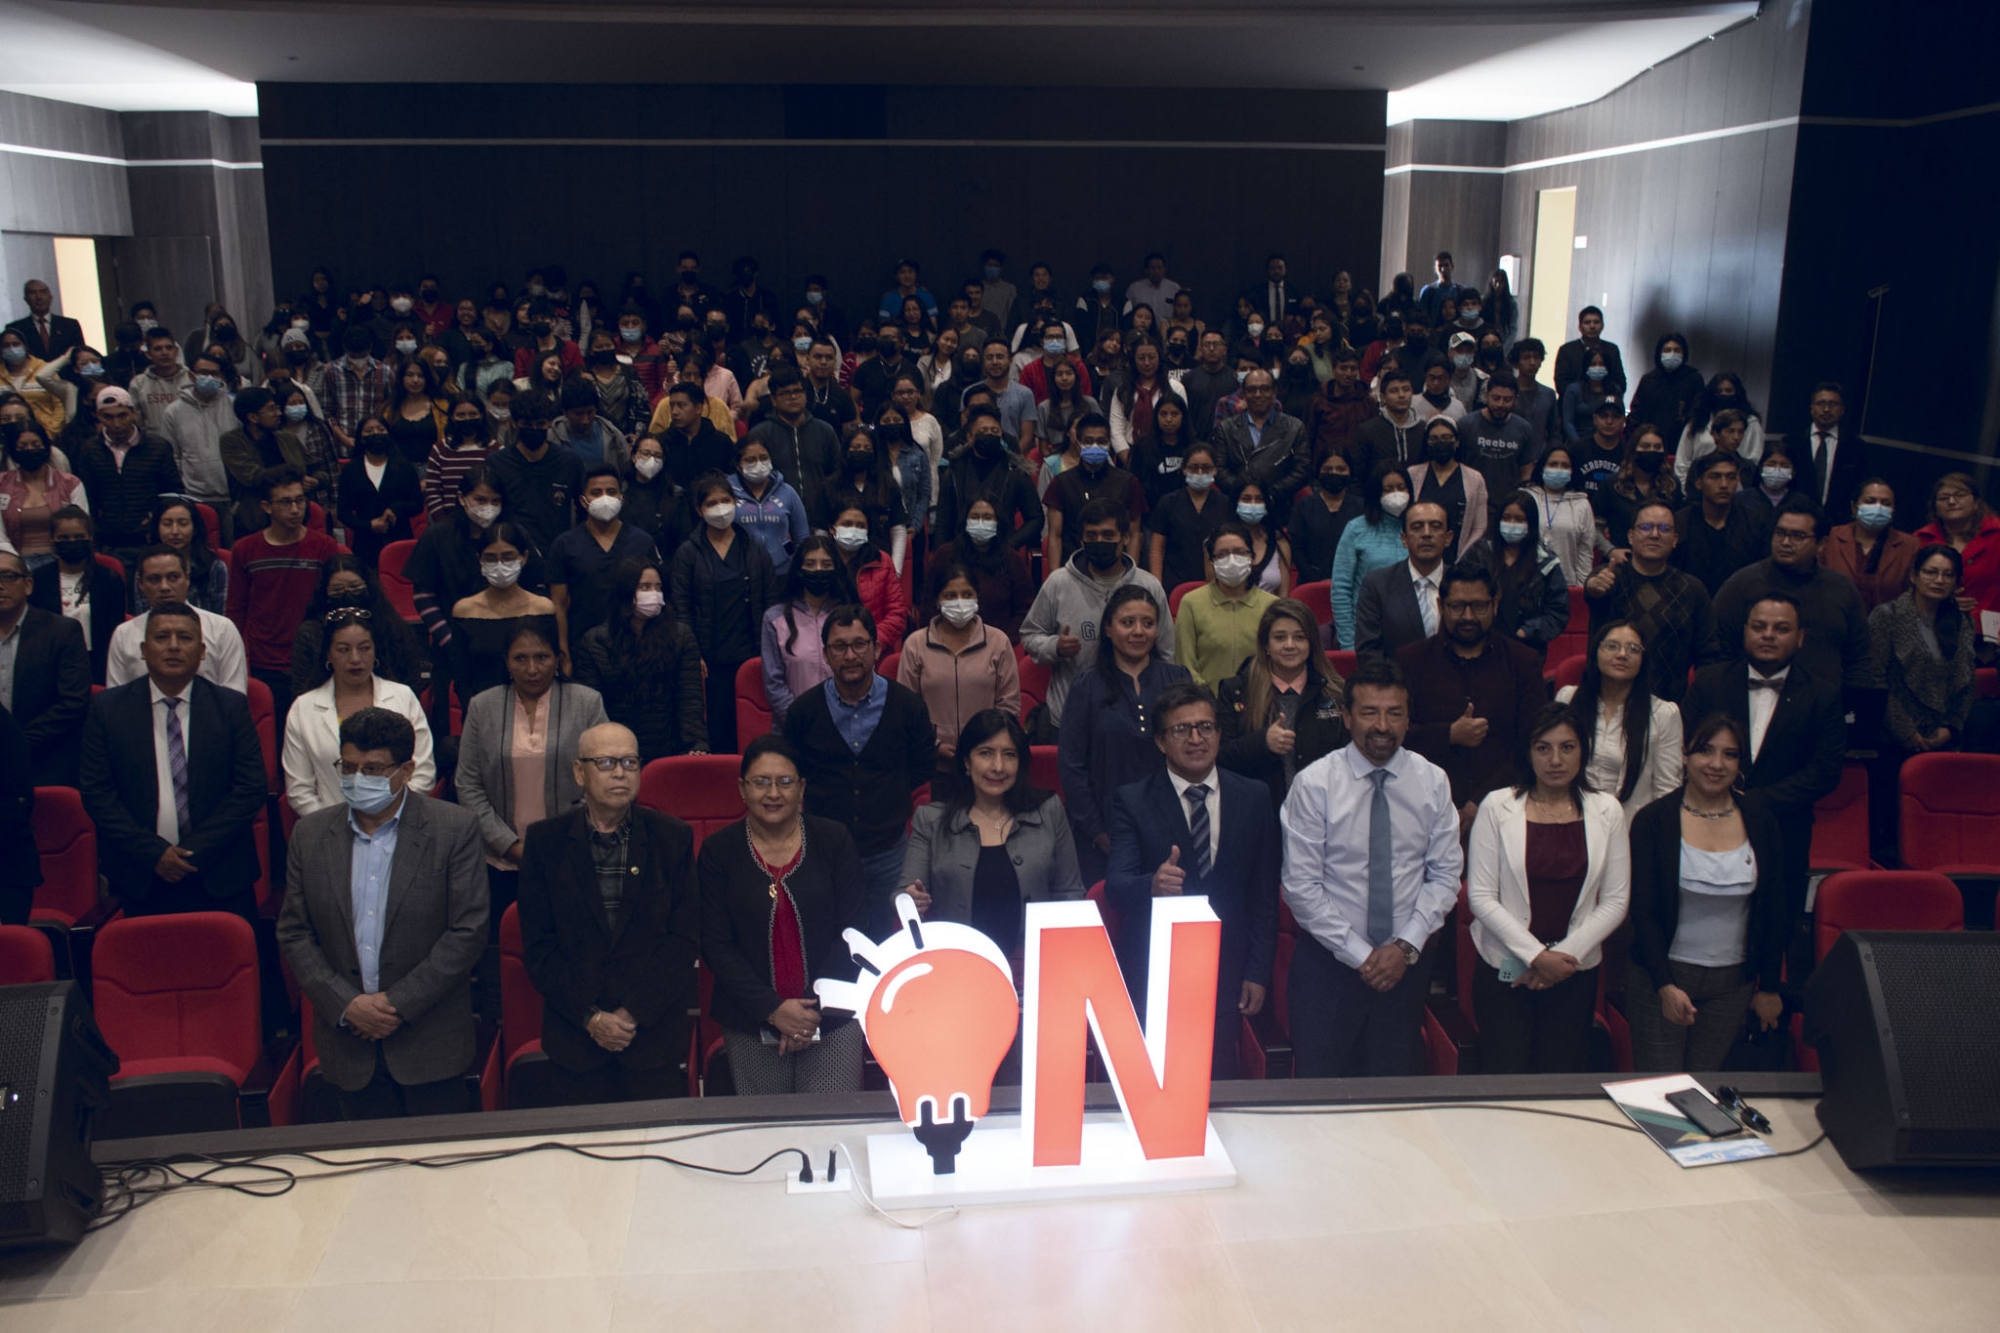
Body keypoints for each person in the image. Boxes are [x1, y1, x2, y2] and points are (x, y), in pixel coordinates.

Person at [277, 707, 487, 1118]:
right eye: (348, 767)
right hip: (348, 1046)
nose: (357, 779)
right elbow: (295, 932)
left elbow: (468, 931)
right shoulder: (310, 835)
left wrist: (397, 1004)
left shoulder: (453, 829)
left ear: (406, 770)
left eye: (372, 769)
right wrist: (348, 1005)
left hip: (430, 1043)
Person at [1281, 658, 1461, 1077]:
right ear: (1346, 717)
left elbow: (1445, 874)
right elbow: (1301, 886)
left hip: (1404, 968)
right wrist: (1362, 956)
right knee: (1321, 1094)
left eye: (1394, 713)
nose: (1382, 725)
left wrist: (1404, 947)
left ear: (1408, 719)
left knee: (1393, 1095)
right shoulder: (1315, 784)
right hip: (1329, 967)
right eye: (1369, 713)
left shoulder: (1432, 781)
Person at [515, 720, 699, 1104]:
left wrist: (631, 1014)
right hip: (576, 1045)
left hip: (652, 1041)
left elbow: (683, 940)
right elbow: (540, 948)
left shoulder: (672, 837)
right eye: (606, 762)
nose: (620, 773)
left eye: (630, 762)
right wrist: (592, 1018)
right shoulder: (546, 843)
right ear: (579, 773)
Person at [1105, 682, 1278, 1076]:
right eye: (1182, 730)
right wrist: (1151, 885)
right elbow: (1116, 886)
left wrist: (1257, 971)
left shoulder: (1254, 796)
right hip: (1158, 972)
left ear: (1219, 733)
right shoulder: (1133, 800)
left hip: (1229, 972)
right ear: (1161, 741)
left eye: (1205, 727)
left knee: (1220, 1085)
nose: (1196, 739)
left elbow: (1264, 895)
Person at [1683, 592, 1844, 979]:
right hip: (1704, 823)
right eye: (1759, 626)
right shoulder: (1709, 682)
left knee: (1776, 924)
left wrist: (1754, 802)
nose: (1768, 635)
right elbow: (1684, 748)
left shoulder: (1823, 694)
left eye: (1781, 628)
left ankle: (1767, 996)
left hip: (1783, 829)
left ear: (1800, 637)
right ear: (1745, 632)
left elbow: (1825, 771)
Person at [1465, 703, 1630, 1073]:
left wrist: (1562, 959)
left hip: (1574, 970)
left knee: (1561, 1078)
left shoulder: (1607, 810)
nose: (1556, 760)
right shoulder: (1498, 806)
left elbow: (1615, 901)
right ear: (1528, 752)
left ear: (1583, 751)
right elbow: (1481, 897)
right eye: (1543, 748)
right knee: (1505, 1077)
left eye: (1567, 747)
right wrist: (1537, 957)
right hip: (1505, 969)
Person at [698, 736, 867, 1093]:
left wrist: (810, 1012)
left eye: (785, 782)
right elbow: (715, 943)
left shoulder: (834, 840)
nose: (773, 793)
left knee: (831, 1122)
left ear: (801, 788)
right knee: (767, 1124)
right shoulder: (718, 851)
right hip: (750, 1020)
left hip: (833, 1017)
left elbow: (853, 930)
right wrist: (773, 1010)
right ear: (742, 789)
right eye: (761, 782)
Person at [456, 618, 608, 1011]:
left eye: (542, 657)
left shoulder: (587, 702)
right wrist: (509, 846)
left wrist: (553, 846)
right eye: (520, 658)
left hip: (571, 854)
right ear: (506, 662)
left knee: (574, 956)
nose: (532, 668)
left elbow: (602, 777)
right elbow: (468, 784)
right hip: (498, 860)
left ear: (558, 659)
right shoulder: (482, 706)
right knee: (506, 960)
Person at [79, 601, 265, 917]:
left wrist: (190, 852)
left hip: (220, 874)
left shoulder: (230, 707)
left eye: (185, 637)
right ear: (143, 650)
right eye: (162, 637)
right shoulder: (109, 709)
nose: (174, 646)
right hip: (141, 876)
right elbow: (98, 793)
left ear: (202, 651)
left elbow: (250, 788)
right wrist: (155, 853)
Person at [1625, 713, 1786, 1072]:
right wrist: (1665, 985)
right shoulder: (1653, 820)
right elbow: (1644, 912)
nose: (1716, 764)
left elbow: (1775, 908)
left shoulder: (1759, 817)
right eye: (1705, 751)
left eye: (1730, 755)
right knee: (1660, 1090)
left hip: (1733, 983)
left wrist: (1769, 986)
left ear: (1740, 764)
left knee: (1704, 1086)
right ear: (1685, 755)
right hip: (1662, 976)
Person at [783, 604, 935, 919]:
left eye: (859, 644)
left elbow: (921, 767)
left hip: (888, 852)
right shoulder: (803, 712)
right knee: (826, 935)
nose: (850, 655)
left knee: (885, 938)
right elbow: (795, 774)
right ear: (826, 655)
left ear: (876, 649)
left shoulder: (908, 707)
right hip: (823, 853)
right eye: (839, 647)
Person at [900, 708, 1083, 968]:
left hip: (1034, 962)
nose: (998, 767)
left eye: (1009, 754)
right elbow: (903, 894)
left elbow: (1070, 893)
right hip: (956, 965)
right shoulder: (930, 820)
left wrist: (1059, 962)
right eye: (986, 753)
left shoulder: (1049, 810)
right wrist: (911, 899)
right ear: (966, 761)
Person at [1397, 563, 1549, 826]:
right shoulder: (1411, 661)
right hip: (1423, 808)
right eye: (1457, 607)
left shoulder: (1523, 662)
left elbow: (1533, 742)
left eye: (1478, 606)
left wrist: (1481, 803)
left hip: (1507, 807)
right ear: (1440, 605)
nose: (1467, 616)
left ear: (1495, 605)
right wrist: (1448, 735)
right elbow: (1398, 734)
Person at [1056, 583, 1188, 885]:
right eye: (1127, 622)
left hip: (1170, 827)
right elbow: (1071, 764)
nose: (1138, 631)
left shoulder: (1177, 679)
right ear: (1108, 628)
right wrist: (1097, 832)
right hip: (1104, 832)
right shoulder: (1086, 686)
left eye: (1148, 623)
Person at [1859, 544, 1977, 854]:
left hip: (1943, 739)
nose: (1939, 580)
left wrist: (1950, 728)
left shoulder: (1962, 621)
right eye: (1931, 572)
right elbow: (1875, 678)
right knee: (1889, 832)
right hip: (1892, 739)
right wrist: (1906, 730)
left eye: (1948, 575)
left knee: (1934, 833)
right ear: (1914, 575)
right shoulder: (1887, 616)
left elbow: (1967, 682)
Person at [1021, 496, 1174, 733]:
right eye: (1091, 536)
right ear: (1081, 540)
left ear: (1125, 538)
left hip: (1135, 719)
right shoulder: (1058, 583)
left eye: (1108, 535)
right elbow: (1030, 636)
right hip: (1071, 718)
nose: (1099, 541)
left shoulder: (1149, 586)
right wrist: (1055, 646)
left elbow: (1166, 654)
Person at [282, 609, 437, 816]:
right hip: (331, 825)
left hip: (398, 822)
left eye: (364, 648)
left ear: (375, 651)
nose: (355, 658)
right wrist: (335, 827)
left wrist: (390, 817)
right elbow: (300, 790)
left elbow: (423, 772)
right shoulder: (303, 708)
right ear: (328, 654)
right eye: (343, 650)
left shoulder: (403, 696)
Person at [1712, 497, 1869, 690]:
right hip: (1752, 695)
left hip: (1825, 702)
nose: (1786, 542)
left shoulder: (1841, 588)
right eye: (1780, 533)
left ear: (1821, 544)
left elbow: (1860, 658)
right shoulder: (1742, 585)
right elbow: (1717, 651)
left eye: (1798, 536)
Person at [227, 467, 342, 730]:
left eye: (300, 500)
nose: (295, 509)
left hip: (313, 657)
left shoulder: (324, 546)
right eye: (285, 502)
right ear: (267, 507)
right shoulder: (245, 550)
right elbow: (236, 608)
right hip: (265, 660)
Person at [671, 471, 778, 753]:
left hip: (749, 653)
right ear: (699, 510)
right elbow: (682, 607)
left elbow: (771, 601)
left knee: (751, 728)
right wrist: (693, 654)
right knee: (717, 730)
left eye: (725, 501)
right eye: (712, 503)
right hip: (709, 658)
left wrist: (767, 649)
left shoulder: (753, 548)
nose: (720, 508)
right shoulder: (688, 553)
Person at [1217, 598, 1349, 814]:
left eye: (1299, 637)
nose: (1289, 645)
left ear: (1312, 643)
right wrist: (1262, 742)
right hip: (1258, 813)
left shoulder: (1336, 693)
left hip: (1324, 811)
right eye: (1280, 637)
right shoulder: (1235, 691)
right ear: (1266, 645)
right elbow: (1220, 758)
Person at [1585, 500, 1722, 704]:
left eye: (1664, 529)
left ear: (1675, 539)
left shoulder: (1693, 589)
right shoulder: (1611, 577)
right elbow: (1594, 590)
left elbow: (1708, 656)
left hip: (1670, 707)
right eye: (1646, 527)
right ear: (1630, 536)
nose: (1655, 535)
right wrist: (1593, 587)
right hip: (1608, 702)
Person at [897, 565, 1020, 790]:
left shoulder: (998, 642)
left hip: (988, 762)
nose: (960, 602)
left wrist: (985, 745)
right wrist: (934, 746)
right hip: (934, 764)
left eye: (967, 594)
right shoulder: (915, 644)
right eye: (950, 596)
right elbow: (907, 707)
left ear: (977, 597)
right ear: (938, 601)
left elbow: (1009, 704)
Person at [573, 558, 707, 763]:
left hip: (668, 744)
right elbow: (592, 706)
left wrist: (695, 744)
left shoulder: (681, 636)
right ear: (625, 592)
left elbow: (689, 697)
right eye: (645, 587)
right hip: (615, 749)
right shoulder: (594, 642)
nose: (654, 594)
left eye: (658, 587)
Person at [1555, 621, 1684, 825]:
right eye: (1612, 646)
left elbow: (1667, 791)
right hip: (1569, 819)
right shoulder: (1568, 699)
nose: (1622, 654)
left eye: (1633, 649)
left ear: (1643, 660)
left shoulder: (1663, 714)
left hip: (1630, 827)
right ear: (1596, 652)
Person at [548, 466, 659, 668]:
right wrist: (563, 652)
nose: (605, 498)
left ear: (621, 498)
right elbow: (559, 605)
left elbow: (656, 595)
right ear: (583, 501)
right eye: (596, 492)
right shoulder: (564, 544)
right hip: (582, 648)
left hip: (635, 647)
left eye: (611, 492)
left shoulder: (642, 542)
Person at [0, 543, 89, 785]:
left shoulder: (62, 632)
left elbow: (73, 702)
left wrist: (15, 747)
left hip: (45, 759)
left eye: (8, 577)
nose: (0, 585)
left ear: (28, 584)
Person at [106, 545, 248, 693]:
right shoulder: (124, 634)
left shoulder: (222, 629)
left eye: (173, 577)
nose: (164, 587)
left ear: (187, 578)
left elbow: (234, 696)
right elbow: (115, 700)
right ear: (140, 584)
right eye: (154, 579)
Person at [72, 387, 184, 564]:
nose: (116, 423)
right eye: (108, 417)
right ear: (98, 416)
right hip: (108, 541)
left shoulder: (158, 447)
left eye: (122, 415)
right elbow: (89, 499)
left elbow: (173, 493)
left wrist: (155, 520)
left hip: (149, 538)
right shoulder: (90, 450)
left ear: (134, 413)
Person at [1456, 490, 1571, 654]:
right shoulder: (1478, 554)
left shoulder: (1546, 563)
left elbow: (1558, 614)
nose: (1511, 523)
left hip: (1525, 649)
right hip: (1478, 644)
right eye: (1506, 518)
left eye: (1519, 519)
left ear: (1530, 524)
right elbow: (1456, 592)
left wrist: (1528, 631)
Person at [1174, 522, 1278, 688]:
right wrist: (1205, 696)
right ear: (1212, 561)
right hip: (1204, 699)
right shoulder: (1191, 603)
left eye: (1239, 552)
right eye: (1222, 554)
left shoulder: (1272, 606)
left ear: (1252, 557)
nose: (1231, 560)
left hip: (1258, 698)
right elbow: (1184, 665)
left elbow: (1277, 663)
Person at [29, 507, 121, 684]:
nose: (72, 542)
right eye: (64, 538)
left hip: (99, 665)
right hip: (51, 666)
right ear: (52, 540)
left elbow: (115, 630)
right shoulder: (39, 579)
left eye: (79, 537)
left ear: (90, 538)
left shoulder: (108, 579)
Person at [1353, 499, 1452, 662]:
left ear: (1448, 538)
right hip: (1395, 676)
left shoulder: (1463, 582)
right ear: (1404, 539)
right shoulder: (1378, 585)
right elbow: (1369, 652)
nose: (1426, 534)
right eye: (1417, 527)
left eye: (1435, 526)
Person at [1330, 462, 1415, 650]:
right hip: (1367, 634)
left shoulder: (1418, 529)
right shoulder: (1356, 529)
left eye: (1401, 488)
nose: (1396, 494)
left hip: (1411, 636)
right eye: (1388, 489)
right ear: (1376, 493)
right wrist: (1349, 643)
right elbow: (1341, 589)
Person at [922, 497, 1034, 638]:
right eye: (974, 517)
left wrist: (1001, 640)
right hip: (945, 641)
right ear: (965, 521)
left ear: (997, 522)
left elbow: (1025, 609)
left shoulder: (1012, 560)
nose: (981, 522)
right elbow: (928, 604)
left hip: (999, 643)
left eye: (987, 517)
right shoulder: (945, 555)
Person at [1212, 369, 1308, 524]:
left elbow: (1302, 470)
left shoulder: (1295, 428)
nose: (1258, 394)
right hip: (1238, 509)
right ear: (1244, 394)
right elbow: (1219, 469)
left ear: (1274, 392)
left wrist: (1269, 494)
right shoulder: (1227, 428)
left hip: (1280, 509)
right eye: (1251, 390)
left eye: (1264, 389)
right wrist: (1243, 494)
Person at [220, 386, 315, 540]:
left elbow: (315, 468)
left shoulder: (287, 438)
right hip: (253, 521)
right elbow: (253, 476)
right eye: (271, 409)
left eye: (277, 407)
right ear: (253, 417)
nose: (279, 413)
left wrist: (316, 481)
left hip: (293, 519)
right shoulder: (231, 441)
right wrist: (293, 473)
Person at [1914, 472, 2000, 634]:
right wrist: (1941, 598)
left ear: (1976, 502)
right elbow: (1909, 587)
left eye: (1960, 495)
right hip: (1932, 629)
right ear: (1935, 506)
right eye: (1944, 498)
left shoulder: (1997, 535)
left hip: (1989, 632)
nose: (1952, 502)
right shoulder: (1921, 539)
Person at [1821, 478, 1919, 615]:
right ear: (1854, 507)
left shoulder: (1909, 545)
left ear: (1893, 511)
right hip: (1833, 618)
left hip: (1885, 623)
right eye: (1870, 501)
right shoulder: (1831, 538)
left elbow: (1912, 595)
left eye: (1886, 503)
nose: (1878, 508)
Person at [336, 416, 422, 568]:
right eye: (369, 431)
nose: (375, 433)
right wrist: (368, 525)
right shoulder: (351, 470)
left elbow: (417, 504)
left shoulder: (404, 467)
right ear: (360, 438)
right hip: (365, 544)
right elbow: (343, 513)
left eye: (380, 429)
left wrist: (396, 509)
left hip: (399, 539)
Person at [1145, 442, 1229, 595]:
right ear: (1184, 469)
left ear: (1215, 470)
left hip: (1216, 586)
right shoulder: (1168, 503)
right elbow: (1157, 548)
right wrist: (1157, 585)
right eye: (1193, 468)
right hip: (1173, 585)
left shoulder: (1225, 504)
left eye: (1206, 468)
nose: (1200, 472)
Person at [0, 422, 87, 570]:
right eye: (22, 446)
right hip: (15, 562)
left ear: (46, 447)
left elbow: (82, 527)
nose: (30, 449)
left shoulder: (70, 483)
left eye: (36, 444)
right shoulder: (2, 483)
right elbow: (0, 537)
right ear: (13, 451)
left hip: (61, 561)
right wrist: (18, 564)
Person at [827, 500, 910, 653]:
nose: (853, 530)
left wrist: (867, 643)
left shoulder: (882, 561)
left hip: (873, 650)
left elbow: (897, 615)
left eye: (860, 526)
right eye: (847, 524)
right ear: (832, 529)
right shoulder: (821, 562)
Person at [1593, 424, 1680, 564]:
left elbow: (1678, 527)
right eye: (1645, 447)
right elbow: (1595, 527)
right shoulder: (1612, 484)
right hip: (1622, 562)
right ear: (1633, 450)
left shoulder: (1672, 485)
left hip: (1662, 563)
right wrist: (1610, 551)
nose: (1651, 451)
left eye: (1657, 447)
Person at [1407, 417, 1487, 562]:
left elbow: (1479, 527)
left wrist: (1462, 558)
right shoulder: (1412, 474)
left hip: (1458, 559)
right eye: (1434, 439)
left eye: (1446, 438)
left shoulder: (1475, 479)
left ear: (1457, 441)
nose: (1440, 443)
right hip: (1419, 558)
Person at [1524, 445, 1597, 586]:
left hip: (1565, 584)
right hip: (1527, 583)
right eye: (1553, 464)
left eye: (1565, 466)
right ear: (1542, 468)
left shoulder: (1582, 504)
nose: (1558, 469)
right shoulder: (1526, 497)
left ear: (1572, 471)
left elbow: (1585, 553)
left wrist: (1582, 590)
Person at [141, 494, 227, 613]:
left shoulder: (214, 566)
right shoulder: (146, 566)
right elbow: (143, 615)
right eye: (167, 524)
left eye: (183, 523)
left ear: (194, 528)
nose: (175, 531)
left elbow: (220, 616)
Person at [1288, 450, 1362, 588]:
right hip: (1310, 583)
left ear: (1350, 472)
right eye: (1327, 469)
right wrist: (1315, 579)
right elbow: (1296, 549)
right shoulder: (1304, 505)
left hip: (1352, 584)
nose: (1334, 473)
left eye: (1341, 469)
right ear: (1318, 472)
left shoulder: (1361, 508)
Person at [1626, 332, 1703, 447]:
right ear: (1659, 354)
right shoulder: (1649, 380)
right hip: (1649, 444)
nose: (1672, 354)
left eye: (1677, 350)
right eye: (1667, 350)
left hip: (1682, 444)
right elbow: (1636, 414)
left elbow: (1699, 413)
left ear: (1684, 353)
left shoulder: (1694, 380)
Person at [1302, 347, 1373, 468]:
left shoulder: (1367, 402)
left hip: (1358, 467)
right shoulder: (1318, 401)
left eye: (1353, 369)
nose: (1348, 374)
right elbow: (1308, 437)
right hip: (1324, 466)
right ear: (1334, 370)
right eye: (1343, 368)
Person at [1351, 369, 1422, 481]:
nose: (1402, 395)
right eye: (1394, 391)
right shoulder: (1367, 431)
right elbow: (1357, 475)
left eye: (1406, 389)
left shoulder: (1423, 429)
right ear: (1383, 397)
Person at [1552, 306, 1626, 399]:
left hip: (1605, 403)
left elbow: (1620, 382)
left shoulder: (1612, 350)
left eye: (1596, 322)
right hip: (1573, 402)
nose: (1592, 326)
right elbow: (1561, 384)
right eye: (1587, 322)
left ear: (1602, 325)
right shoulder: (1566, 350)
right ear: (1580, 327)